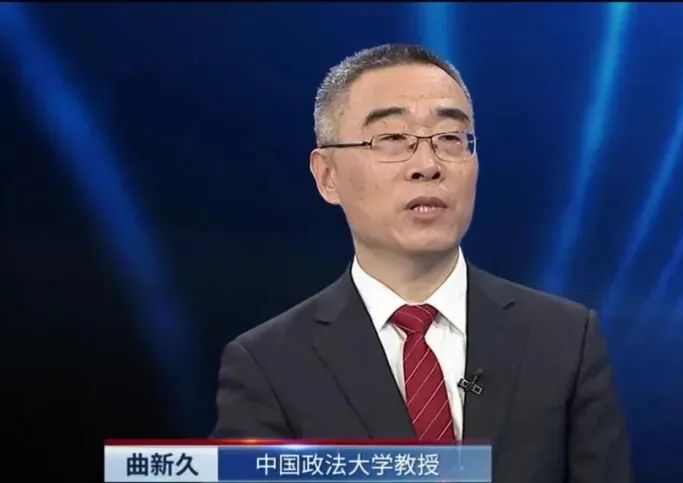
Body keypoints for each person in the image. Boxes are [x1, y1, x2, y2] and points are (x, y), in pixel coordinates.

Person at [211, 43, 633, 482]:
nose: (428, 165)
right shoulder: (268, 364)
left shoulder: (566, 339)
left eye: (450, 138)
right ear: (328, 176)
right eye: (392, 139)